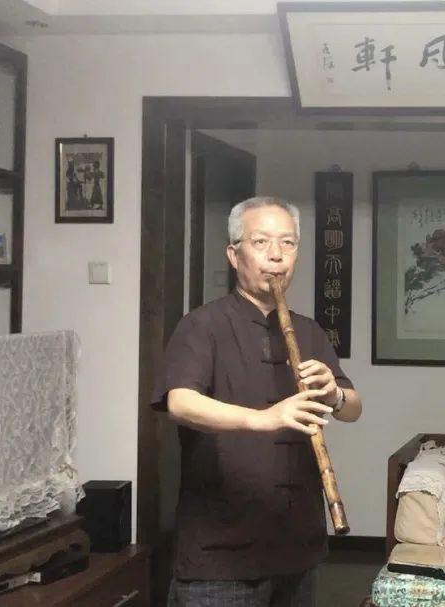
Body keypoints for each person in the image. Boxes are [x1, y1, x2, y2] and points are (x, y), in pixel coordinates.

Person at [151, 196, 362, 606]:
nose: (276, 255)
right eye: (261, 242)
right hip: (221, 554)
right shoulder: (202, 325)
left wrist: (334, 394)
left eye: (288, 243)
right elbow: (180, 402)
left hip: (297, 546)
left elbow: (353, 408)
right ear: (234, 255)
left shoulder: (309, 331)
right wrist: (265, 418)